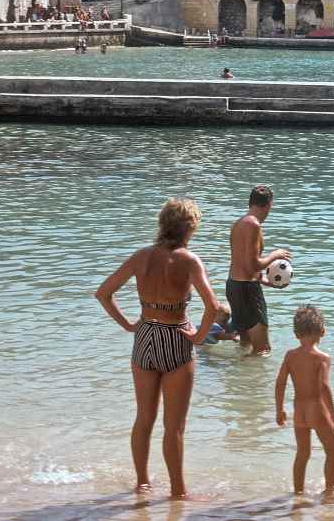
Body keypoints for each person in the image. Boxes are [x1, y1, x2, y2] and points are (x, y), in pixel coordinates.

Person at [94, 198, 218, 498]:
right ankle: (178, 491)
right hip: (176, 337)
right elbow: (212, 306)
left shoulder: (141, 256)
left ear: (162, 224)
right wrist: (199, 336)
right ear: (189, 228)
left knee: (143, 419)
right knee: (174, 427)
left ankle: (142, 483)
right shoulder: (189, 260)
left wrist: (129, 325)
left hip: (146, 336)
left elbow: (103, 293)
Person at [275, 305, 334, 496]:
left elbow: (280, 383)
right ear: (322, 331)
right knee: (332, 451)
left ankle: (298, 492)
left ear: (296, 334)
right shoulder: (322, 358)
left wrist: (279, 409)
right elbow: (324, 387)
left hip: (299, 412)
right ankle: (330, 492)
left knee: (302, 453)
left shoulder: (290, 356)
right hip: (317, 409)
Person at [227, 185, 291, 356]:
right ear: (269, 204)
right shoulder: (253, 225)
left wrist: (268, 282)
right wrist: (275, 255)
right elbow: (254, 264)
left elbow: (243, 265)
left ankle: (233, 373)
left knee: (245, 344)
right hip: (247, 291)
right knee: (262, 350)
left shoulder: (239, 223)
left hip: (234, 286)